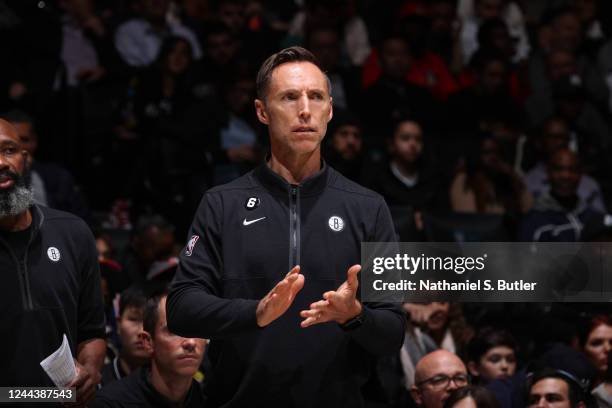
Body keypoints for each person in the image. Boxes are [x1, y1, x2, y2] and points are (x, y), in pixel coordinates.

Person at [167, 46, 405, 407]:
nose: (305, 110)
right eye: (290, 97)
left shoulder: (368, 207)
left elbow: (392, 332)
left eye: (316, 97)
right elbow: (182, 308)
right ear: (262, 112)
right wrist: (256, 312)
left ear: (329, 111)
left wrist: (353, 315)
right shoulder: (221, 203)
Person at [0, 119, 105, 405]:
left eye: (9, 150)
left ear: (25, 158)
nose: (1, 162)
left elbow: (93, 333)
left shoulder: (73, 233)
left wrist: (90, 370)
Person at [92, 291, 206, 407]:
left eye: (196, 329)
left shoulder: (214, 398)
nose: (191, 342)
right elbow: (72, 395)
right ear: (148, 341)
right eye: (174, 331)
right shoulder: (108, 402)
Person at [519, 148, 601, 242]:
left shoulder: (592, 217)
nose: (565, 176)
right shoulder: (534, 222)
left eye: (572, 170)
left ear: (580, 174)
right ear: (548, 173)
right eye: (558, 169)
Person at [101, 286, 150, 385]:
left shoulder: (172, 384)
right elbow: (63, 396)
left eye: (149, 322)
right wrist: (68, 395)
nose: (142, 331)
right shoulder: (96, 380)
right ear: (119, 324)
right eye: (134, 319)